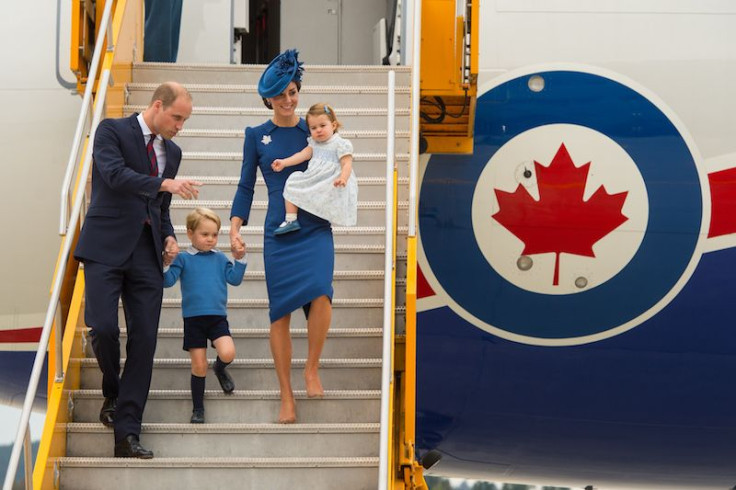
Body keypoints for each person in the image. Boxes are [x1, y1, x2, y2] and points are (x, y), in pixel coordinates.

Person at [74, 81, 202, 458]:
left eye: (185, 121)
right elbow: (113, 176)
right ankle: (111, 391)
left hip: (146, 255)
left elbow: (160, 208)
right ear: (157, 105)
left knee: (145, 341)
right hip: (104, 246)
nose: (180, 127)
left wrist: (170, 237)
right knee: (104, 327)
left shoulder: (172, 152)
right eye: (176, 118)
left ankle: (127, 434)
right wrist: (163, 182)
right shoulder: (112, 130)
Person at [230, 49, 333, 424]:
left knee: (322, 292)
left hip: (316, 222)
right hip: (278, 228)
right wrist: (235, 226)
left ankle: (312, 368)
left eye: (293, 92)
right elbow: (245, 186)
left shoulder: (316, 128)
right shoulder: (257, 136)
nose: (289, 101)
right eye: (281, 95)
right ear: (267, 99)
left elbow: (337, 159)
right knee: (281, 314)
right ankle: (286, 396)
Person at [163, 207, 246, 424]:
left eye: (215, 235)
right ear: (190, 233)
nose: (210, 239)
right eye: (205, 234)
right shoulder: (183, 259)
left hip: (217, 317)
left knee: (228, 353)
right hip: (193, 320)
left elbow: (234, 279)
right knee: (199, 365)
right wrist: (166, 263)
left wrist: (239, 258)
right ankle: (198, 408)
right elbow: (168, 281)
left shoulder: (220, 258)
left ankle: (219, 367)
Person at [271, 103, 358, 235]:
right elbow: (302, 155)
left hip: (331, 181)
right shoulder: (314, 143)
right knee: (292, 181)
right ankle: (291, 220)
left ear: (333, 125)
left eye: (322, 126)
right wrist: (284, 162)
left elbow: (347, 164)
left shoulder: (340, 144)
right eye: (313, 127)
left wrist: (343, 178)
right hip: (315, 178)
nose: (318, 130)